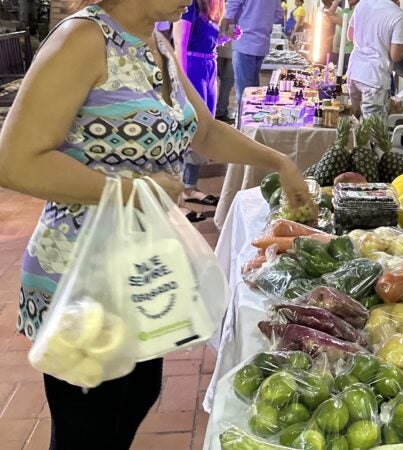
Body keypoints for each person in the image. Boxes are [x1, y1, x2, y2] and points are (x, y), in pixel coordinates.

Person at [0, 0, 313, 447]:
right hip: (81, 276)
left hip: (139, 271)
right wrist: (130, 190)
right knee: (86, 429)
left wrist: (280, 161)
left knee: (137, 394)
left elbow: (203, 132)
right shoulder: (83, 40)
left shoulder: (157, 42)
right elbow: (14, 161)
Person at [174, 0, 224, 220]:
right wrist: (182, 85)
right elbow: (180, 46)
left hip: (208, 68)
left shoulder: (212, 7)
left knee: (202, 132)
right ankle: (176, 198)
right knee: (187, 129)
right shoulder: (190, 4)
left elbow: (206, 41)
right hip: (192, 68)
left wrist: (227, 38)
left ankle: (189, 188)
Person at [346, 0, 403, 119]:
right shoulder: (398, 15)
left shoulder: (362, 4)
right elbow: (396, 55)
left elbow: (350, 36)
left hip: (354, 73)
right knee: (373, 133)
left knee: (356, 125)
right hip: (374, 79)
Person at [221, 0, 284, 106]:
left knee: (244, 91)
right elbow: (278, 14)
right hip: (262, 42)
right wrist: (262, 22)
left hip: (244, 40)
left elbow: (230, 8)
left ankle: (244, 120)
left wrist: (224, 31)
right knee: (254, 89)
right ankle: (252, 119)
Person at [325, 0, 359, 73]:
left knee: (344, 77)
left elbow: (358, 31)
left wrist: (343, 23)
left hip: (349, 50)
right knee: (334, 74)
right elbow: (329, 13)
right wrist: (336, 2)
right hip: (337, 49)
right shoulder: (345, 10)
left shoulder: (359, 11)